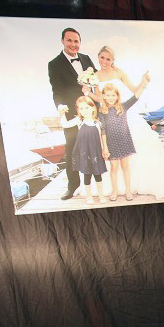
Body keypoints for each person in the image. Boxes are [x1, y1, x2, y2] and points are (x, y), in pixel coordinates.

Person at [90, 45, 164, 200]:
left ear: (113, 60)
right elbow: (100, 98)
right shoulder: (94, 76)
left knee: (131, 158)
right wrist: (87, 92)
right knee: (113, 165)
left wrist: (143, 83)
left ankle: (133, 187)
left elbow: (134, 91)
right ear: (98, 57)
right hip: (108, 116)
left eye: (108, 59)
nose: (104, 61)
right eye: (102, 58)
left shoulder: (119, 73)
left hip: (123, 114)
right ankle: (114, 189)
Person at [48, 27, 95, 201]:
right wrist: (60, 105)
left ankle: (99, 183)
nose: (73, 44)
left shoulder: (86, 58)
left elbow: (96, 80)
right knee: (72, 150)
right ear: (62, 41)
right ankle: (73, 186)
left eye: (76, 41)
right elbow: (56, 90)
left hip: (91, 110)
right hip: (71, 113)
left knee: (96, 145)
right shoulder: (54, 64)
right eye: (69, 40)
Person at [96, 79, 148, 202]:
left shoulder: (123, 107)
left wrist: (143, 84)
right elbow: (103, 130)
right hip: (111, 144)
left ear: (117, 96)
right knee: (114, 168)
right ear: (103, 96)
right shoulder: (102, 111)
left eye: (113, 95)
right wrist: (105, 147)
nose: (111, 98)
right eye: (108, 95)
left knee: (125, 167)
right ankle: (114, 191)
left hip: (124, 141)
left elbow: (135, 97)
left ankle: (128, 190)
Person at [58, 96, 108, 205]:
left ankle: (101, 195)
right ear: (78, 110)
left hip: (95, 153)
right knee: (87, 175)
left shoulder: (97, 123)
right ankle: (89, 196)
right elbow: (65, 125)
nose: (84, 110)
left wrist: (104, 149)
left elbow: (101, 138)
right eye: (81, 108)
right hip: (84, 153)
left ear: (93, 108)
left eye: (87, 107)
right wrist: (62, 114)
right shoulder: (79, 121)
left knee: (98, 175)